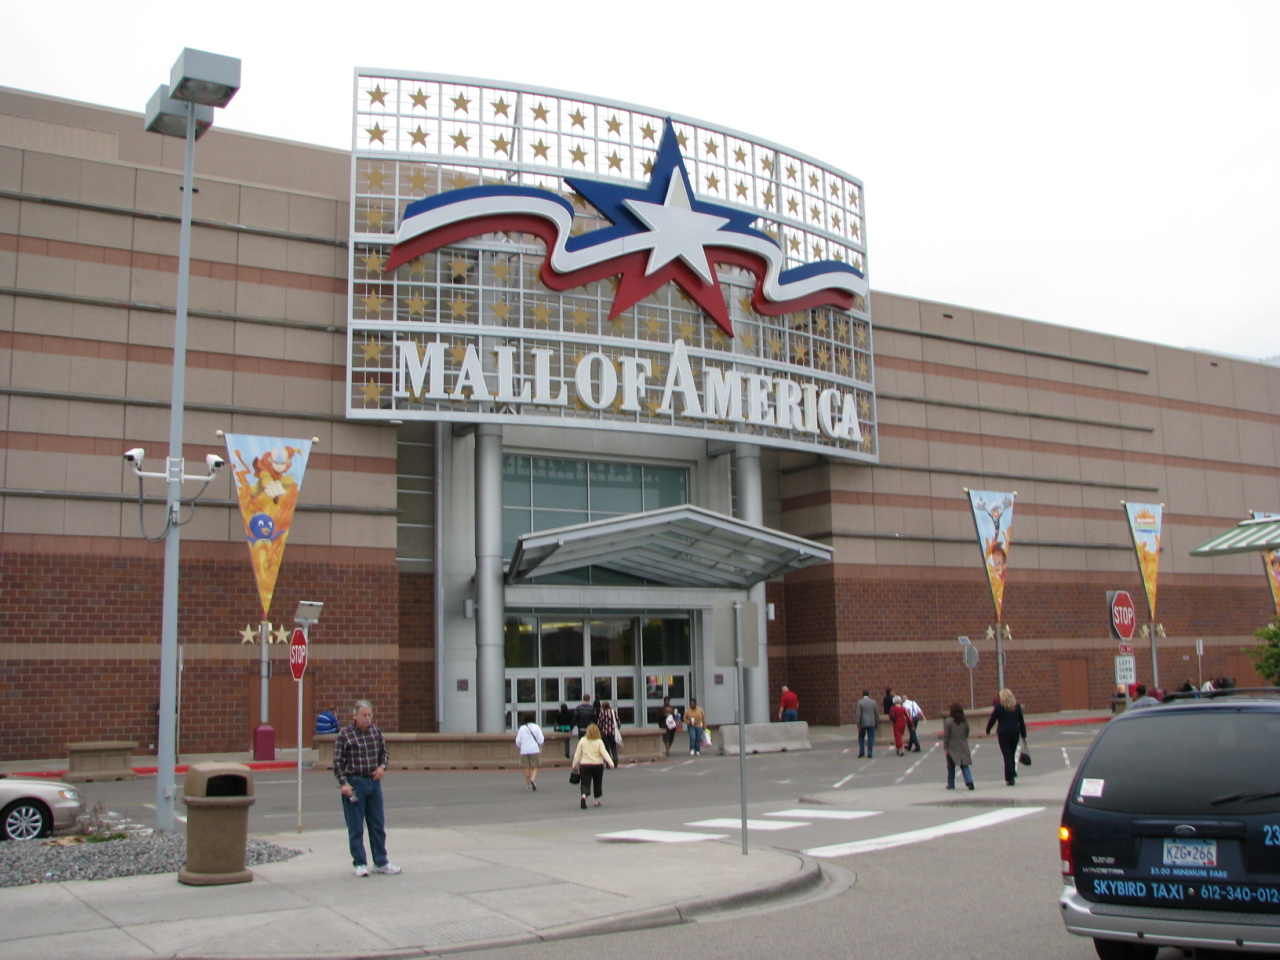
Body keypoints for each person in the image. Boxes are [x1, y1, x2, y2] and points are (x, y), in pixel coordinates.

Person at [333, 699, 401, 877]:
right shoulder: (345, 735)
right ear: (355, 716)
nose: (367, 719)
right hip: (355, 783)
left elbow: (384, 752)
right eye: (364, 715)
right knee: (356, 826)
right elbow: (338, 762)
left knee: (377, 824)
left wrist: (382, 767)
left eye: (370, 715)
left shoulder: (375, 732)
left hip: (373, 783)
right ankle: (360, 863)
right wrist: (344, 783)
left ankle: (381, 861)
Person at [985, 688, 1028, 786]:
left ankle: (1010, 777)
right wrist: (1023, 735)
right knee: (1011, 754)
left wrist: (988, 730)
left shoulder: (999, 707)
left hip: (1003, 733)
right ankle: (1012, 772)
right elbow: (1021, 722)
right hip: (1014, 733)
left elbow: (992, 719)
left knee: (1007, 755)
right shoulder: (1017, 707)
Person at [572, 722, 615, 808]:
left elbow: (577, 754)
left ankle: (583, 796)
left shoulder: (582, 740)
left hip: (585, 764)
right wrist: (610, 762)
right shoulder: (599, 741)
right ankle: (596, 800)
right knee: (597, 782)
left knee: (585, 782)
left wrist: (574, 764)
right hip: (598, 765)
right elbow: (604, 753)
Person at [942, 703, 974, 790]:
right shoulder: (964, 721)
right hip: (963, 745)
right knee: (964, 765)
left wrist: (945, 747)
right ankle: (969, 781)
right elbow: (967, 732)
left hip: (952, 746)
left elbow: (946, 736)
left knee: (951, 766)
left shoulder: (948, 722)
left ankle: (951, 784)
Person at [514, 717, 544, 791]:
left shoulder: (522, 728)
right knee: (535, 766)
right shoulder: (537, 727)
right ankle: (532, 779)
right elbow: (541, 739)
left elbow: (518, 741)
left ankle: (528, 785)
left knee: (526, 767)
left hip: (524, 750)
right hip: (534, 749)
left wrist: (521, 745)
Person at [856, 690, 878, 757]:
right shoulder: (873, 702)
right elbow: (876, 713)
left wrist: (858, 724)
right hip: (871, 722)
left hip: (863, 722)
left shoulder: (860, 702)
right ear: (869, 695)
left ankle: (862, 752)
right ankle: (870, 753)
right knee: (871, 737)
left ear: (862, 695)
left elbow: (858, 714)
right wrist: (876, 722)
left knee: (861, 737)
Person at [597, 700, 619, 765]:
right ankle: (615, 759)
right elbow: (618, 721)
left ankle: (608, 762)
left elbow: (599, 723)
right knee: (613, 747)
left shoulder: (602, 713)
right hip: (612, 732)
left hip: (604, 732)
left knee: (606, 748)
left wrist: (600, 729)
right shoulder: (613, 712)